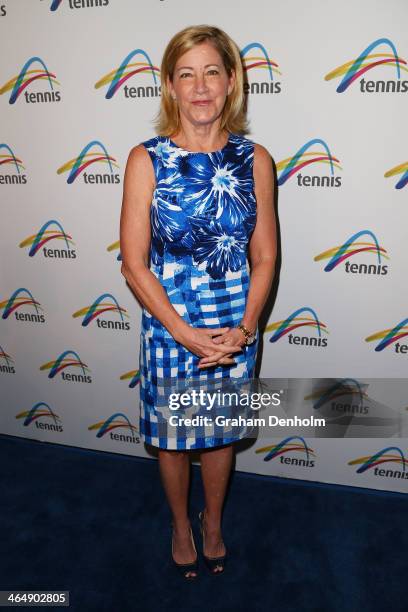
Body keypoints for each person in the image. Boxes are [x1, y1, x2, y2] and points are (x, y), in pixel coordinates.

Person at [120, 24, 277, 579]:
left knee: (219, 434)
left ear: (231, 81)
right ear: (170, 86)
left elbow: (264, 256)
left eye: (212, 71)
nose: (201, 86)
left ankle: (213, 522)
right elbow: (133, 263)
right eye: (186, 74)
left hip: (235, 327)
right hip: (170, 326)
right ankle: (181, 525)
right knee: (171, 438)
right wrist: (184, 334)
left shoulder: (255, 159)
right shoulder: (146, 160)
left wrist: (247, 328)